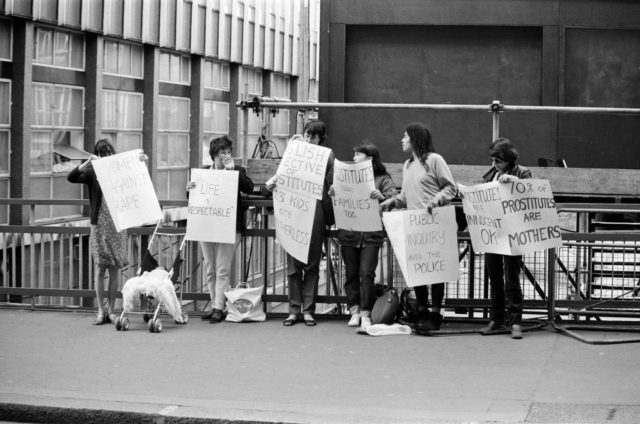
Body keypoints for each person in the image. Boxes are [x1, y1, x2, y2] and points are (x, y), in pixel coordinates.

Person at [380, 123, 457, 333]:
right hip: (415, 223)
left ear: (415, 139)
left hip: (434, 222)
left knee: (437, 271)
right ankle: (422, 312)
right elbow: (406, 196)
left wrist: (437, 200)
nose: (402, 140)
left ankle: (436, 314)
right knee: (419, 270)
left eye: (405, 137)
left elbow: (451, 187)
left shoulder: (434, 160)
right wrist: (392, 202)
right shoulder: (407, 165)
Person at [67, 139, 148, 325]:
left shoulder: (120, 171)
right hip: (99, 225)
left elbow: (138, 180)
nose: (105, 156)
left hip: (118, 225)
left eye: (108, 153)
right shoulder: (92, 172)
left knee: (114, 269)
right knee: (99, 268)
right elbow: (71, 177)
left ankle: (112, 310)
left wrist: (141, 162)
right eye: (101, 153)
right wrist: (87, 162)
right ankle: (100, 311)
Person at [266, 120, 334, 327]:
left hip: (315, 211)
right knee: (293, 264)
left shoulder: (326, 156)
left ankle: (308, 310)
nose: (310, 139)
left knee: (312, 263)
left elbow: (332, 182)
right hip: (294, 210)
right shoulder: (294, 152)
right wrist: (292, 151)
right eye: (307, 134)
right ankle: (294, 309)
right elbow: (283, 176)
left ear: (320, 138)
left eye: (313, 136)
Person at [329, 141, 396, 331]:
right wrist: (334, 194)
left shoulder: (383, 179)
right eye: (354, 154)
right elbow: (339, 199)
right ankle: (354, 310)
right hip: (349, 232)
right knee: (351, 274)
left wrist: (382, 197)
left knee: (366, 273)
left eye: (358, 154)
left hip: (371, 234)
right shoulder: (347, 178)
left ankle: (366, 312)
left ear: (369, 158)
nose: (354, 158)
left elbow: (393, 198)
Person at [187, 135, 254, 323]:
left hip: (229, 227)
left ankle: (218, 307)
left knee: (222, 268)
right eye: (221, 153)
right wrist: (189, 188)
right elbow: (194, 197)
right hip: (207, 226)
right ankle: (216, 303)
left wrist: (233, 172)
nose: (225, 156)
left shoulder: (237, 170)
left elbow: (249, 187)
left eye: (228, 152)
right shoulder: (203, 174)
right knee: (210, 268)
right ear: (213, 156)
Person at [480, 138, 532, 339]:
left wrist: (514, 182)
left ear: (509, 159)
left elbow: (532, 193)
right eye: (492, 160)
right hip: (494, 232)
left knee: (511, 278)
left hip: (513, 231)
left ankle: (516, 321)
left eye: (498, 161)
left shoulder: (522, 173)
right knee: (494, 277)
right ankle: (497, 319)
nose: (495, 164)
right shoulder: (490, 174)